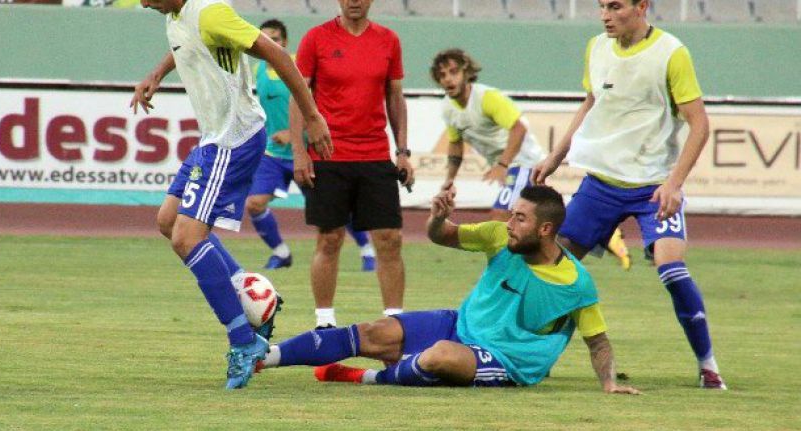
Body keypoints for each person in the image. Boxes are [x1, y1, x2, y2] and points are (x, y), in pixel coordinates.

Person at [258, 185, 640, 394]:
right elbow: (443, 236)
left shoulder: (576, 284)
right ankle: (263, 358)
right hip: (459, 325)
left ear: (545, 229)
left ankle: (364, 378)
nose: (509, 224)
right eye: (511, 214)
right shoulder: (497, 236)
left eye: (520, 219)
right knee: (374, 332)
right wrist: (438, 219)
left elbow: (599, 342)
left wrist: (608, 384)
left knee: (439, 357)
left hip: (505, 361)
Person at [130, 0, 331, 389]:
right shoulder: (177, 17)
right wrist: (155, 74)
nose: (141, 2)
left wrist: (312, 116)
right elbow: (185, 46)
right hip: (213, 139)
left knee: (188, 239)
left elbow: (277, 54)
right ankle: (257, 299)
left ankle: (243, 341)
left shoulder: (211, 12)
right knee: (168, 222)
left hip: (234, 139)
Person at [531, 0, 726, 389]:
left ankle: (708, 365)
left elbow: (699, 124)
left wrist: (673, 183)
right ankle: (538, 358)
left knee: (671, 268)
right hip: (601, 184)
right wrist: (558, 153)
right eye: (601, 5)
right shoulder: (596, 47)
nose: (605, 14)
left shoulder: (671, 53)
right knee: (557, 267)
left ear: (642, 6)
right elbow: (591, 103)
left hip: (653, 188)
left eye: (615, 6)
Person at [431, 48, 632, 270]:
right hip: (512, 167)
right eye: (442, 75)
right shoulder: (447, 108)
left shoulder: (487, 98)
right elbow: (455, 143)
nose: (448, 79)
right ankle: (605, 233)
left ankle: (505, 274)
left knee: (501, 216)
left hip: (524, 163)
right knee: (540, 218)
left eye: (453, 72)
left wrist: (502, 164)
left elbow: (518, 129)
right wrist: (449, 179)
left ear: (466, 72)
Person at [289, 0, 414, 329]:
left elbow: (395, 98)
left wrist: (403, 151)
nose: (354, 1)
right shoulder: (316, 38)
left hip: (374, 155)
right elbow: (298, 95)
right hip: (328, 155)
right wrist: (300, 153)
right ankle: (325, 322)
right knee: (329, 239)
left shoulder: (389, 40)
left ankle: (394, 322)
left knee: (389, 238)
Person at [247, 19, 376, 271]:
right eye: (264, 39)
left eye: (275, 38)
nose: (269, 44)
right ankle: (281, 254)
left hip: (308, 151)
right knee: (254, 204)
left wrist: (294, 131)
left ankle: (368, 250)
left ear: (285, 42)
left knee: (335, 207)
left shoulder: (299, 66)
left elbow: (321, 107)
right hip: (273, 154)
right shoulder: (257, 70)